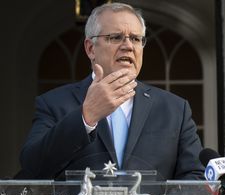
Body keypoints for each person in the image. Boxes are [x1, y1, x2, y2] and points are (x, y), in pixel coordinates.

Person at [19, 2, 204, 182]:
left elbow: (195, 177)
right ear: (91, 48)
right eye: (116, 37)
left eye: (136, 39)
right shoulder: (53, 103)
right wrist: (86, 116)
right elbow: (32, 169)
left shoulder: (175, 109)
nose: (128, 46)